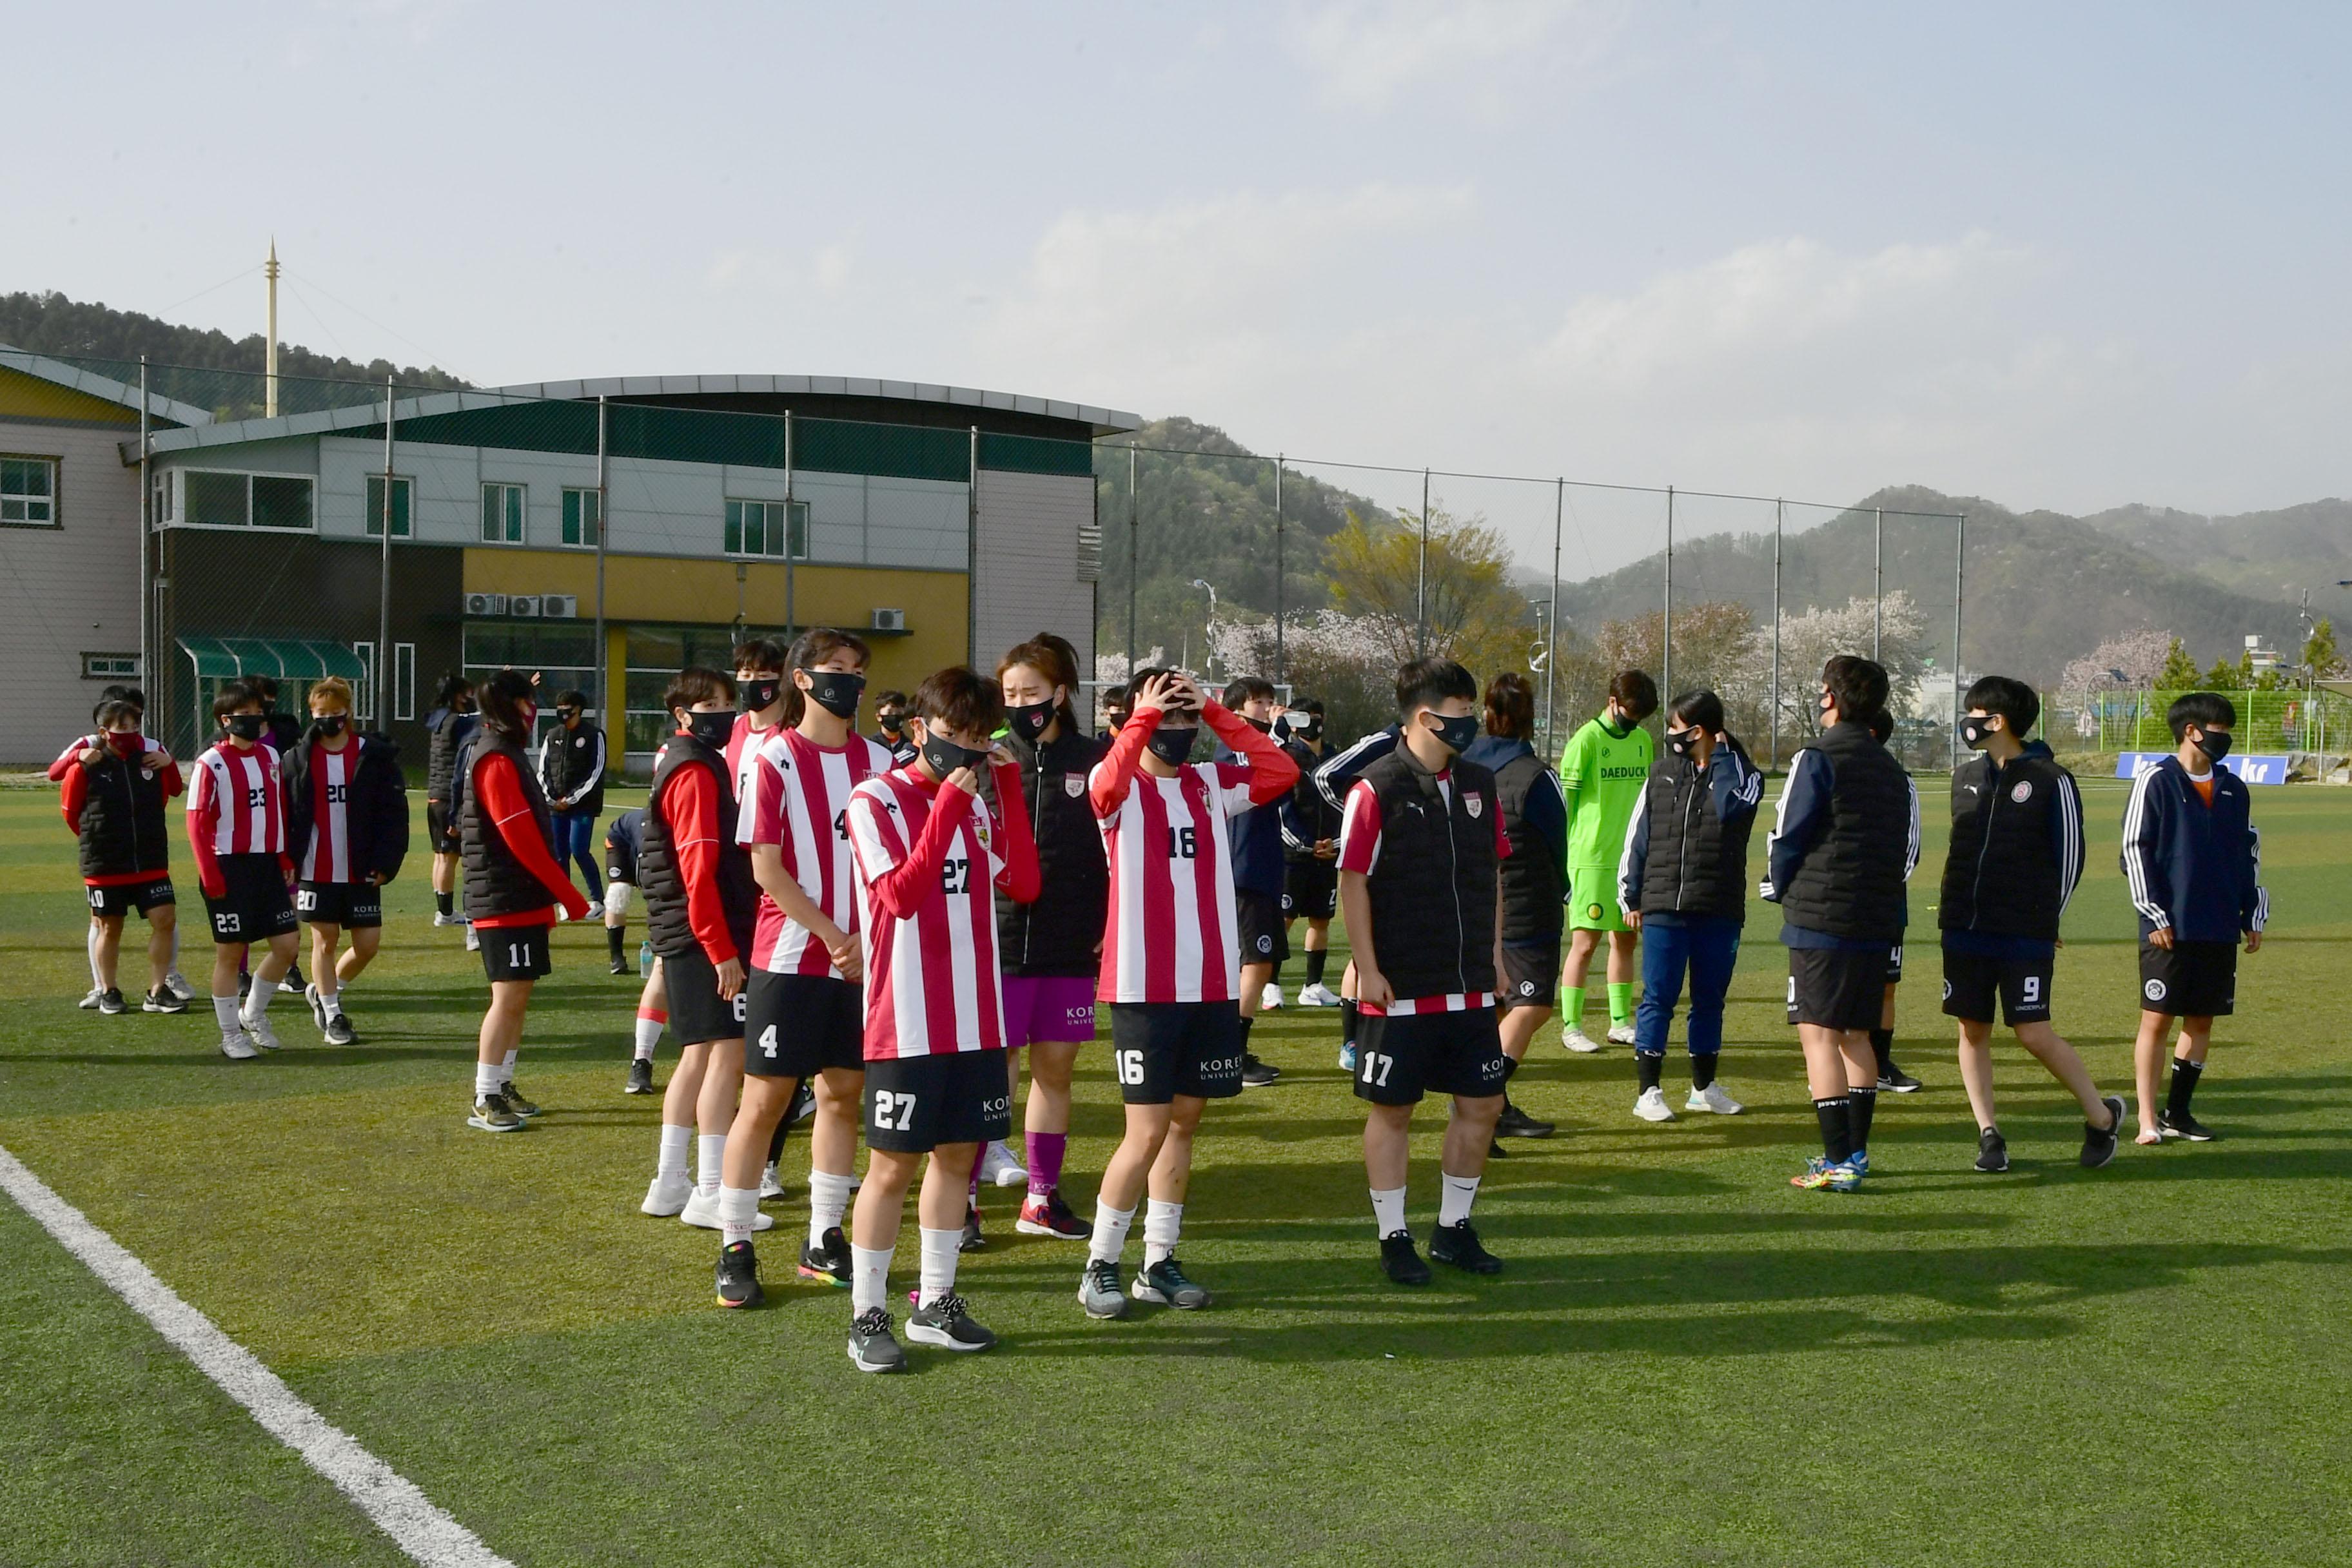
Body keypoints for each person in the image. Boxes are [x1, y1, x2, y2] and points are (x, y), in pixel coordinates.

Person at [1076, 667, 1295, 1318]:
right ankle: (1100, 1264)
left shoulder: (1209, 784)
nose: (1176, 730)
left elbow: (1278, 769)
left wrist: (1214, 708)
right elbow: (1107, 785)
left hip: (1209, 983)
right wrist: (1142, 715)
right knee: (1144, 1130)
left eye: (1183, 718)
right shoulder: (1113, 784)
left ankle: (1158, 1261)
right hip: (1144, 983)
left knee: (1184, 1123)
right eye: (1164, 717)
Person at [839, 666, 1040, 1371]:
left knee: (960, 1159)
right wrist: (949, 807)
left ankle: (936, 1301)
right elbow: (899, 895)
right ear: (920, 729)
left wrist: (1006, 787)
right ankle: (868, 1312)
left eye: (981, 739)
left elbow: (1023, 882)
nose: (968, 751)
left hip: (977, 1017)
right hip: (908, 1018)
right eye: (956, 736)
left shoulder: (981, 797)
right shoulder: (874, 800)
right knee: (891, 1167)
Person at [708, 631, 894, 1300]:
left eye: (858, 669)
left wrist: (862, 941)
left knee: (845, 1095)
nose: (852, 678)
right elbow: (765, 864)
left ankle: (823, 1234)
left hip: (860, 961)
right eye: (837, 668)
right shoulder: (775, 756)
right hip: (790, 957)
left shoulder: (880, 757)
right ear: (804, 679)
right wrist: (832, 933)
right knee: (765, 1100)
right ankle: (736, 1241)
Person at [1339, 657, 1513, 1284]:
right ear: (1425, 715)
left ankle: (1454, 1229)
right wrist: (1367, 966)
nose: (1471, 724)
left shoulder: (1480, 784)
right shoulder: (1375, 788)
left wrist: (1493, 957)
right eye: (1462, 713)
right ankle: (1394, 1236)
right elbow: (1352, 881)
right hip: (1401, 984)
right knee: (1394, 1109)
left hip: (1467, 982)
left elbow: (1491, 872)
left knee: (1484, 1102)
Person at [622, 668, 768, 1299]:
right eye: (709, 704)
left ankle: (670, 1180)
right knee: (725, 1059)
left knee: (699, 1056)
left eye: (726, 704)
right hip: (702, 932)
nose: (721, 713)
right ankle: (711, 1189)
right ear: (681, 712)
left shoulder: (683, 762)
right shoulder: (695, 769)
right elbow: (700, 865)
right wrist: (722, 950)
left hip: (683, 930)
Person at [1940, 677, 2124, 1170]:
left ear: (1996, 721)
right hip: (1964, 926)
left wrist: (2049, 917)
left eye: (1973, 713)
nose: (1967, 722)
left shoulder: (2052, 779)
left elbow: (2071, 858)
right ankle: (1989, 1135)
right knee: (1971, 1028)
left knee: (2032, 1031)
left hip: (2024, 929)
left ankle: (2102, 1116)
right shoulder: (1964, 778)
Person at [1761, 657, 1918, 1191]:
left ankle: (1839, 1162)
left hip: (1823, 918)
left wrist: (1778, 885)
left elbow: (1788, 835)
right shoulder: (1892, 768)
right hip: (1875, 917)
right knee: (1857, 1035)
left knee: (1818, 1034)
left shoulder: (1818, 757)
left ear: (1830, 697)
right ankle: (1855, 1154)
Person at [994, 634, 1110, 1242]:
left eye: (1031, 692)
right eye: (1010, 693)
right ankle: (961, 1201)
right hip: (997, 943)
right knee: (993, 1066)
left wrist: (1108, 922)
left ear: (1060, 693)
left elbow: (1119, 852)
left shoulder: (1096, 760)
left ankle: (1041, 1196)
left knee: (1056, 1069)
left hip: (1070, 944)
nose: (1019, 703)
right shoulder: (985, 760)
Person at [2121, 691, 2267, 1145]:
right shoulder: (2156, 781)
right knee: (2157, 1019)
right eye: (2219, 731)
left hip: (2219, 924)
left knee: (2201, 1021)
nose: (2224, 740)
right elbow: (2134, 850)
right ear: (2192, 730)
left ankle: (2178, 1112)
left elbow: (2248, 853)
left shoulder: (2233, 789)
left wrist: (2252, 911)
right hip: (2168, 928)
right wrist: (2154, 913)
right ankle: (2147, 1119)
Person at [1616, 690, 1762, 1122]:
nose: (1669, 736)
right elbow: (1638, 836)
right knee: (1658, 998)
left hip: (1718, 906)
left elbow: (1732, 807)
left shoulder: (1743, 775)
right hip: (1663, 905)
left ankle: (1703, 1088)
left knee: (1709, 1000)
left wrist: (1718, 756)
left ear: (1699, 731)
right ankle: (1649, 1092)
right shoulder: (1660, 773)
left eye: (1677, 728)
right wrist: (1631, 894)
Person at [459, 669, 593, 1130]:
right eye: (528, 701)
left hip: (518, 896)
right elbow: (520, 840)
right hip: (503, 897)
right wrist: (570, 895)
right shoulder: (495, 757)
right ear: (510, 705)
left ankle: (502, 1083)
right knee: (508, 996)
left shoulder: (506, 751)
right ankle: (485, 1093)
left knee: (518, 996)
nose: (534, 711)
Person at [1462, 673, 1567, 1141]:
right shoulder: (1537, 776)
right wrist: (1562, 887)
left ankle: (1492, 1105)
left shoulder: (1461, 765)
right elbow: (1556, 842)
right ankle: (1483, 1101)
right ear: (1529, 718)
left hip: (1474, 904)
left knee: (1498, 1009)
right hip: (1526, 907)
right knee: (1532, 1004)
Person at [282, 677, 407, 1046]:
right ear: (311, 714)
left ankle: (324, 992)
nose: (330, 720)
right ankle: (333, 1013)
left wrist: (387, 861)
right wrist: (287, 857)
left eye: (336, 714)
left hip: (361, 866)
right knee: (325, 940)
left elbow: (393, 814)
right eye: (322, 714)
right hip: (316, 867)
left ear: (349, 712)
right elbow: (286, 812)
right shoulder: (297, 759)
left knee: (368, 944)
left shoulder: (374, 757)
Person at [53, 687, 192, 1007]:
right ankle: (107, 990)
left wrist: (168, 763)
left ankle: (158, 990)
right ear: (104, 732)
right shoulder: (86, 765)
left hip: (150, 860)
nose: (129, 734)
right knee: (109, 927)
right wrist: (97, 839)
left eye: (134, 727)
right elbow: (71, 814)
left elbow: (173, 790)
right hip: (106, 864)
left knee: (165, 919)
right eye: (122, 728)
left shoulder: (150, 759)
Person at [187, 681, 300, 1059]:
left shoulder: (270, 758)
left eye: (258, 713)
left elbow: (277, 810)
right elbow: (197, 823)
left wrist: (283, 857)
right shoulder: (211, 763)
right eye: (246, 715)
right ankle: (229, 1034)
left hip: (266, 864)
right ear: (226, 720)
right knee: (231, 953)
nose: (255, 720)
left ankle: (252, 1013)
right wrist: (210, 874)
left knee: (287, 945)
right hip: (228, 867)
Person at [1557, 671, 1658, 1052]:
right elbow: (1566, 808)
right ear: (1613, 702)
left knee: (1626, 939)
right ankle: (1572, 1026)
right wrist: (1565, 861)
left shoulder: (1643, 741)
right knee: (1585, 943)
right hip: (1591, 859)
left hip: (1630, 860)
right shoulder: (1586, 740)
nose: (1634, 722)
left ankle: (1619, 1022)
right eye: (1630, 713)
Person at [1219, 676, 1289, 1084]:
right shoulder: (1234, 750)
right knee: (1258, 960)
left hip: (1257, 868)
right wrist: (1275, 741)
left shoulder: (1256, 748)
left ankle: (1231, 1048)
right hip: (1243, 870)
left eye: (1269, 700)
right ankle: (1233, 1052)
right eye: (1258, 702)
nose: (1267, 709)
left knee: (1254, 961)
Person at [1863, 707, 1923, 1094]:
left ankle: (1880, 1066)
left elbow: (1910, 850)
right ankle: (1834, 1068)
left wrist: (1873, 891)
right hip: (1835, 909)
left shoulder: (1901, 782)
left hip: (1883, 906)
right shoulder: (1825, 771)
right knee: (1842, 987)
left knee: (1885, 987)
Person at [1275, 698, 1344, 1008]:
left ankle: (1313, 985)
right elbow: (1282, 808)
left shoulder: (1336, 758)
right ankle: (1270, 984)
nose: (1311, 723)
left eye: (1316, 717)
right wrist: (1304, 843)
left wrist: (1336, 842)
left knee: (1321, 920)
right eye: (1304, 718)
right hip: (1292, 854)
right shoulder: (1285, 756)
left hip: (1327, 854)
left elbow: (1345, 805)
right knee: (1284, 918)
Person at [538, 688, 608, 914]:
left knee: (579, 849)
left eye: (567, 710)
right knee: (559, 854)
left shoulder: (593, 735)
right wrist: (551, 798)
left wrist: (573, 798)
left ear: (578, 710)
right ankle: (564, 901)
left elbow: (596, 772)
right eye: (560, 710)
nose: (563, 714)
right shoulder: (552, 735)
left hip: (582, 806)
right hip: (556, 806)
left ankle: (597, 900)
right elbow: (543, 771)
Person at [424, 675, 478, 928]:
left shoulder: (437, 718)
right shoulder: (457, 722)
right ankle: (445, 914)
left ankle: (443, 910)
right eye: (467, 692)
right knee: (449, 857)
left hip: (434, 797)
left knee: (440, 856)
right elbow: (481, 719)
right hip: (448, 797)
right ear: (458, 695)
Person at [603, 807, 644, 976]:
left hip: (644, 843)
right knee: (619, 892)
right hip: (618, 840)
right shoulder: (649, 835)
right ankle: (616, 957)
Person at [869, 689, 918, 768]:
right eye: (890, 712)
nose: (895, 715)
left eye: (899, 713)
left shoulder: (910, 748)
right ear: (879, 717)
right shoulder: (871, 746)